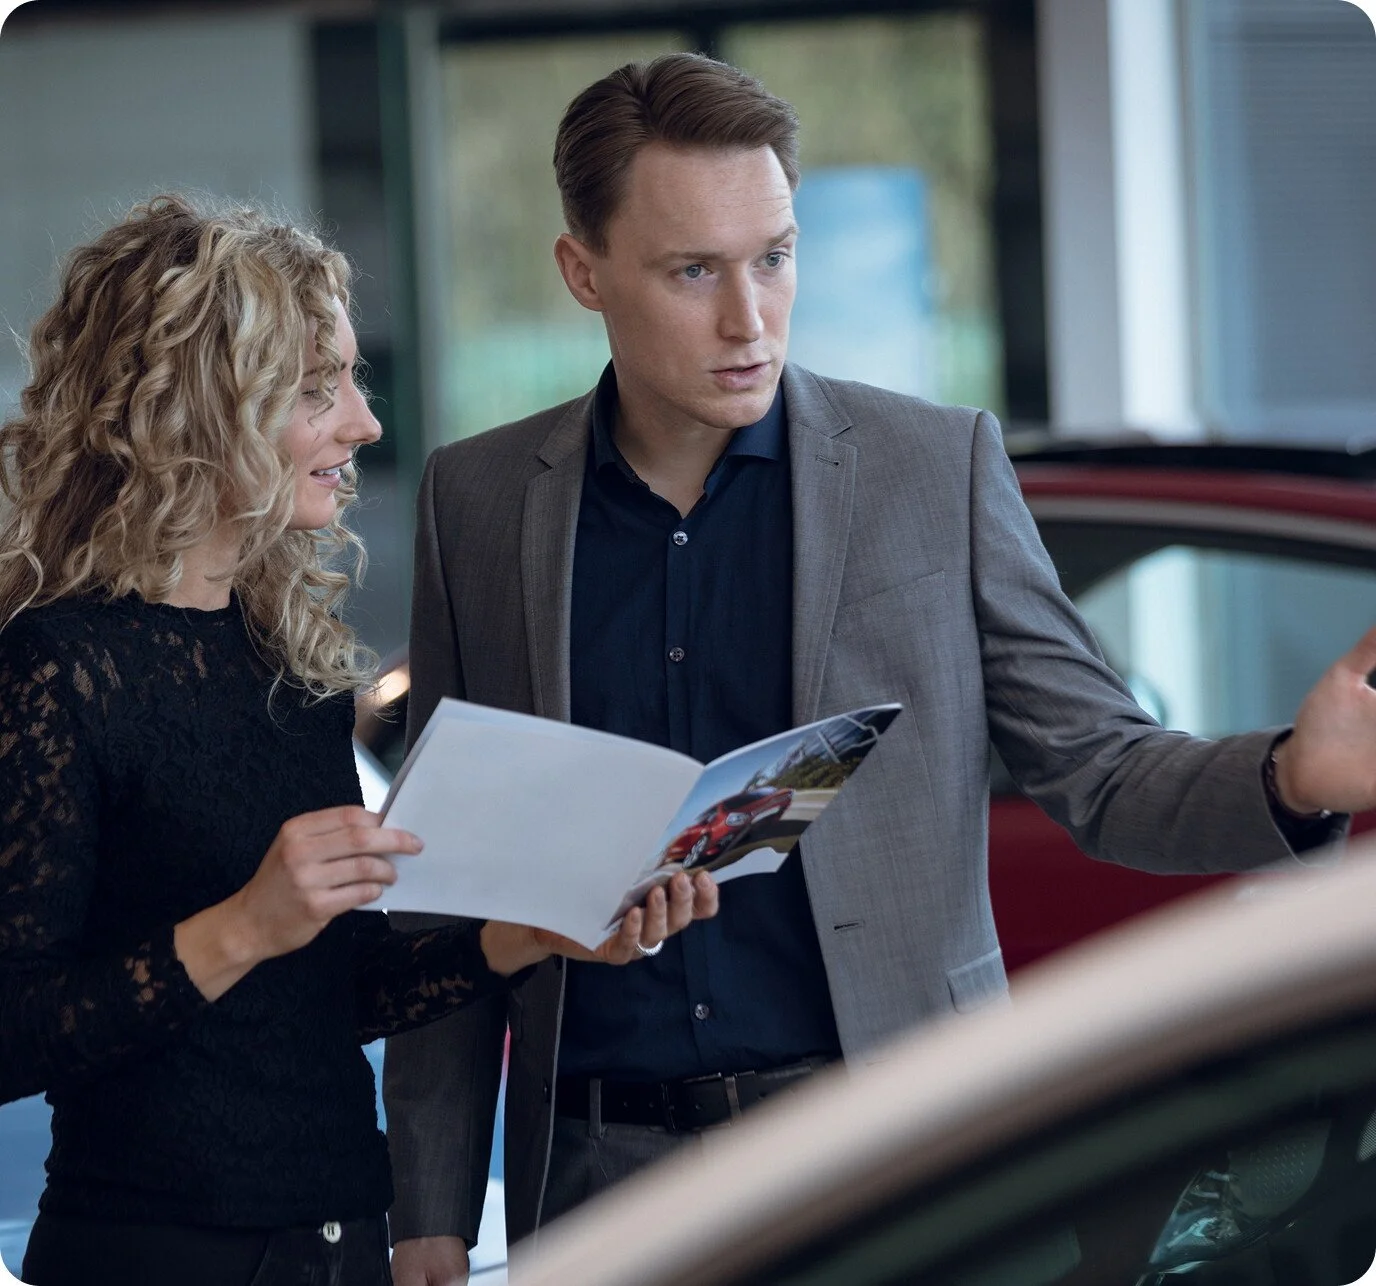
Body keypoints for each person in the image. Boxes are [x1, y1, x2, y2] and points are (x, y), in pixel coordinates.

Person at [382, 52, 1376, 1285]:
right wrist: (426, 1202)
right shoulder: (475, 499)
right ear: (581, 272)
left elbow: (1104, 773)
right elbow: (443, 882)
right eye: (693, 271)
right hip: (596, 1183)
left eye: (774, 256)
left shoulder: (933, 467)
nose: (749, 318)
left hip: (896, 1158)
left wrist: (1293, 775)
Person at [0, 193, 718, 1286]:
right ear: (199, 412)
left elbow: (331, 991)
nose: (363, 423)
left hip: (342, 1243)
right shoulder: (54, 666)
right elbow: (12, 1031)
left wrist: (535, 932)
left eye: (352, 377)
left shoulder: (282, 656)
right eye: (314, 389)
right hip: (158, 1256)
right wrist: (242, 923)